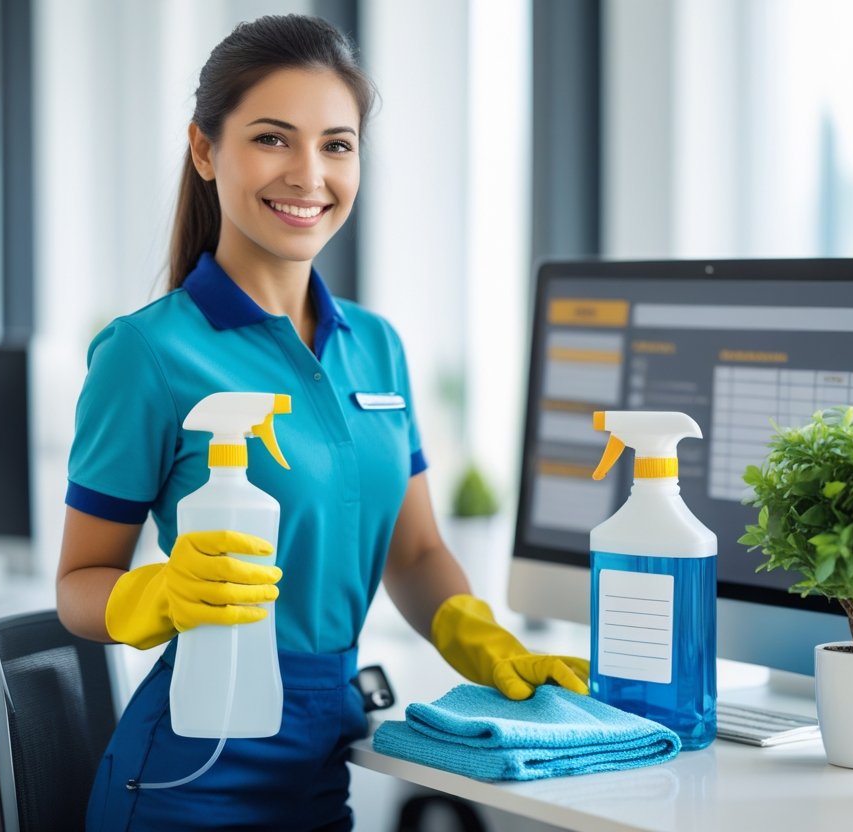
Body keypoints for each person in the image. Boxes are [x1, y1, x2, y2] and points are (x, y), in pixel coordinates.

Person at [56, 14, 588, 831]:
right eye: (273, 139)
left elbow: (414, 552)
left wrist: (484, 640)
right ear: (205, 150)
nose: (308, 174)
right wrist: (157, 594)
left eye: (337, 145)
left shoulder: (376, 347)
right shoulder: (145, 353)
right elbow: (78, 586)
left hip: (325, 759)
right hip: (192, 773)